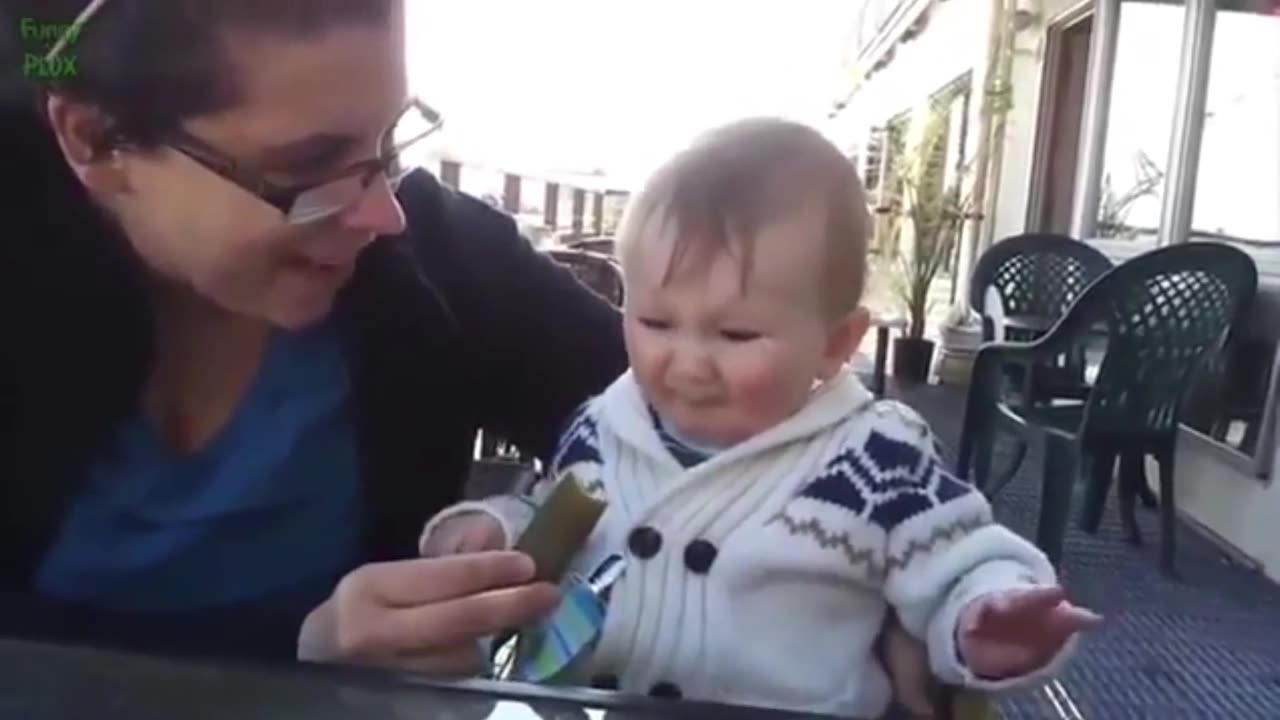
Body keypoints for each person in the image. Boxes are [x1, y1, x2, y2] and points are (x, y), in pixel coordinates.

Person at [0, 0, 628, 670]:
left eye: (388, 142)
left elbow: (697, 432)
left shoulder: (445, 261)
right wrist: (296, 655)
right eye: (311, 166)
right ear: (94, 139)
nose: (384, 213)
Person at [420, 118, 1103, 717]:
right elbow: (554, 517)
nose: (686, 363)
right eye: (655, 321)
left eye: (736, 336)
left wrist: (986, 614)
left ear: (835, 344)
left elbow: (960, 559)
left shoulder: (874, 459)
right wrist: (494, 528)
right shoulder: (603, 426)